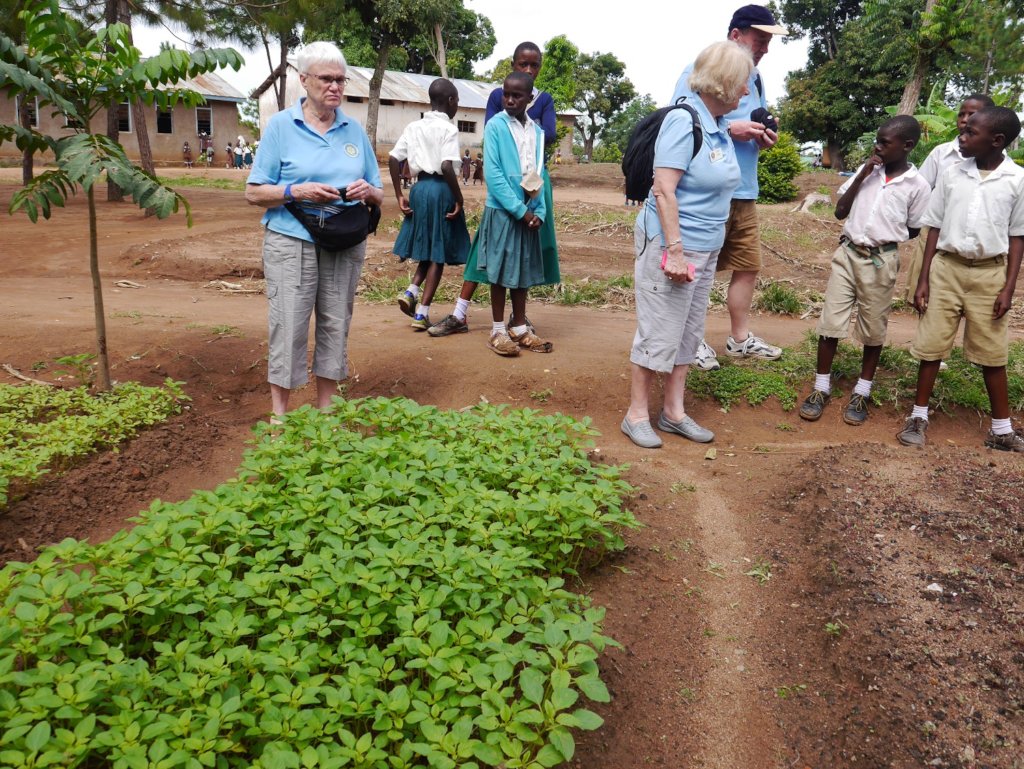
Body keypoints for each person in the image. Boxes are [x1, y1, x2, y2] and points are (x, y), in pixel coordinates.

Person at [621, 41, 752, 449]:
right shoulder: (685, 120)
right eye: (743, 84)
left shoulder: (718, 126)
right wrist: (674, 250)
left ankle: (673, 412)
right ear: (725, 83)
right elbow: (663, 190)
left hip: (705, 247)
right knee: (659, 329)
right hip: (673, 246)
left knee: (689, 332)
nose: (746, 93)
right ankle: (636, 414)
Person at [244, 41, 384, 420]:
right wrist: (295, 190)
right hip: (292, 240)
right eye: (327, 79)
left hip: (343, 241)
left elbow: (379, 192)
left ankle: (326, 415)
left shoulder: (353, 131)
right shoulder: (280, 128)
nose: (335, 87)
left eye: (341, 80)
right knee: (288, 326)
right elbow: (254, 192)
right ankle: (280, 416)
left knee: (336, 323)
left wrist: (367, 192)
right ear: (304, 80)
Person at [897, 106, 1024, 452]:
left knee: (992, 352)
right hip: (946, 270)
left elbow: (1017, 237)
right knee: (932, 347)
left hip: (990, 275)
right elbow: (933, 226)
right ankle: (918, 416)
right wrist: (923, 279)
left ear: (996, 141)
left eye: (970, 133)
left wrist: (1008, 287)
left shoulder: (1017, 180)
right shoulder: (953, 172)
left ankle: (1001, 430)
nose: (962, 138)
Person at [672, 4, 788, 371]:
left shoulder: (755, 79)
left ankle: (739, 340)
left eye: (769, 43)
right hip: (706, 192)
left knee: (747, 265)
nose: (765, 49)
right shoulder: (698, 71)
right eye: (759, 40)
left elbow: (753, 120)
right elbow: (680, 117)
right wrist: (730, 128)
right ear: (736, 36)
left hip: (744, 188)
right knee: (697, 269)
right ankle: (692, 341)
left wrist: (763, 134)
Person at [798, 116, 931, 426]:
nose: (878, 146)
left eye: (885, 142)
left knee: (873, 328)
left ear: (907, 146)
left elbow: (913, 228)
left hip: (880, 261)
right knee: (831, 322)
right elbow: (840, 211)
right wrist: (863, 176)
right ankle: (821, 388)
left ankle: (862, 390)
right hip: (847, 254)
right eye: (878, 140)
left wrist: (882, 242)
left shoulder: (918, 185)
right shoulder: (866, 171)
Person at [429, 41, 560, 338]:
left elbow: (547, 134)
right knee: (488, 256)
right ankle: (469, 315)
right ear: (512, 65)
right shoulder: (499, 109)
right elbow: (495, 156)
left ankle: (519, 321)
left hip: (533, 190)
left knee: (528, 254)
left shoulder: (542, 105)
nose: (528, 69)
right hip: (504, 199)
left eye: (533, 65)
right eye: (522, 64)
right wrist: (519, 207)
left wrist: (535, 208)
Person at [457, 71, 551, 356]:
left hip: (529, 211)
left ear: (529, 99)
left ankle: (520, 327)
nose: (509, 100)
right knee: (499, 273)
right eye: (506, 94)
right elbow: (494, 176)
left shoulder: (537, 131)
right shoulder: (496, 126)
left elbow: (538, 172)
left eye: (517, 95)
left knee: (521, 271)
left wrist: (540, 210)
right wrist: (520, 211)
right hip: (504, 212)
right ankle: (498, 329)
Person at [389, 78, 471, 331]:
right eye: (456, 99)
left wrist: (398, 194)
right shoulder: (449, 129)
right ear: (450, 101)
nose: (457, 104)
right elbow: (447, 166)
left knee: (428, 246)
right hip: (440, 190)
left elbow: (394, 158)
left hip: (418, 189)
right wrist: (459, 198)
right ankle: (422, 313)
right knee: (438, 254)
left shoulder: (414, 126)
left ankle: (412, 291)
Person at [904, 94, 995, 302]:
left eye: (972, 114)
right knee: (924, 292)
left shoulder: (1001, 166)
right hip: (934, 232)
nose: (964, 119)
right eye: (961, 114)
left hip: (974, 241)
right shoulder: (942, 153)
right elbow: (921, 188)